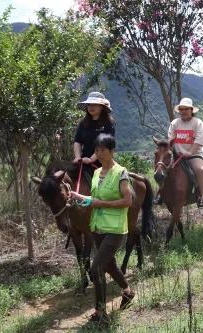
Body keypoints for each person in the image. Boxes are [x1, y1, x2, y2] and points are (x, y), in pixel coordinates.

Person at [68, 133, 135, 325]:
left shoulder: (121, 172)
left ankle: (100, 312)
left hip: (115, 229)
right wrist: (79, 199)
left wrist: (99, 203)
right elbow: (93, 201)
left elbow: (127, 201)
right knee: (110, 265)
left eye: (102, 150)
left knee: (96, 268)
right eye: (96, 150)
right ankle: (128, 292)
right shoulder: (97, 173)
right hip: (97, 227)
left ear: (112, 150)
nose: (99, 153)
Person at [167, 97, 203, 207]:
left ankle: (202, 197)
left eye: (186, 109)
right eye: (181, 109)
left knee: (200, 170)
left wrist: (190, 152)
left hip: (193, 155)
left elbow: (199, 141)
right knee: (163, 170)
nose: (183, 111)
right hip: (177, 156)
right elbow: (170, 139)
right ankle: (161, 195)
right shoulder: (174, 123)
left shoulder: (198, 123)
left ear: (191, 110)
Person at [73, 92, 116, 173]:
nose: (91, 107)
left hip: (104, 163)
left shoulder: (109, 124)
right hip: (84, 162)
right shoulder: (83, 123)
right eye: (89, 104)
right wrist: (78, 158)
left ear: (102, 107)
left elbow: (105, 144)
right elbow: (77, 141)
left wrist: (91, 159)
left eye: (95, 104)